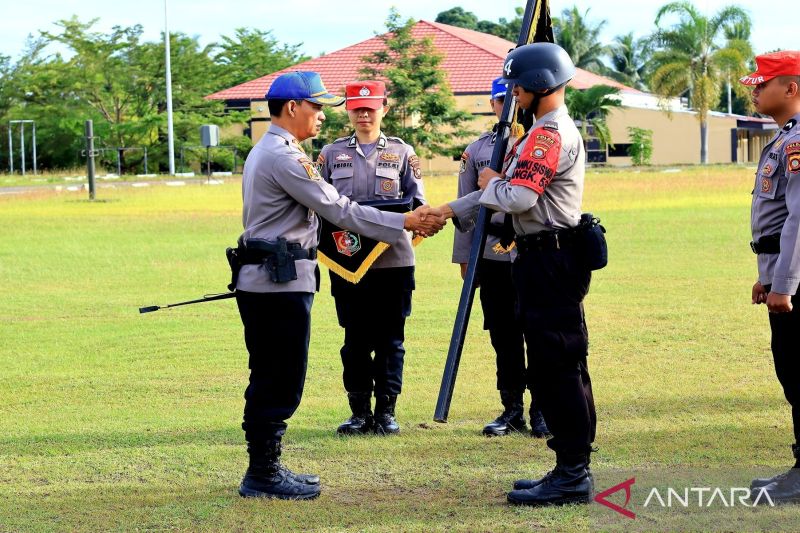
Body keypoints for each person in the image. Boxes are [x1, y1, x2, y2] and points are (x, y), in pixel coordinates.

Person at [233, 71, 445, 500]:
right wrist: (402, 220)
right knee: (278, 377)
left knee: (277, 374)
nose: (323, 118)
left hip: (277, 279)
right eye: (317, 108)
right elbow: (337, 208)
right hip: (278, 284)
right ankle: (262, 473)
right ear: (293, 108)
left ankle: (267, 466)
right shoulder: (285, 157)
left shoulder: (276, 150)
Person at [433, 42, 597, 506]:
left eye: (518, 85)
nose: (513, 93)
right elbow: (500, 193)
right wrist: (448, 209)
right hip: (539, 258)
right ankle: (569, 465)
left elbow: (518, 197)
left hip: (550, 259)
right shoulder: (535, 132)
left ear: (539, 86)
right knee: (556, 364)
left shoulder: (546, 135)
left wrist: (490, 183)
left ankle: (572, 473)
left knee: (559, 365)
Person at [317, 81, 425, 436]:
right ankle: (360, 411)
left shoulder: (402, 152)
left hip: (393, 261)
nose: (364, 114)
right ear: (348, 111)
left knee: (392, 339)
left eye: (371, 108)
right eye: (357, 108)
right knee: (355, 340)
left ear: (384, 109)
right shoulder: (331, 155)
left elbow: (417, 203)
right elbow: (316, 204)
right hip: (346, 262)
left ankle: (387, 411)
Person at [453, 77, 550, 438]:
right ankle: (512, 409)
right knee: (503, 335)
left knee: (537, 333)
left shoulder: (537, 143)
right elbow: (466, 208)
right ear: (491, 104)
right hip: (492, 254)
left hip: (529, 251)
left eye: (511, 97)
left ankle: (543, 409)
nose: (506, 105)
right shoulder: (477, 150)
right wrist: (465, 258)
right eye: (498, 100)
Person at [741, 50, 800, 504]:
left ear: (791, 88)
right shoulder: (785, 138)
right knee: (792, 371)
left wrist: (786, 284)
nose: (755, 90)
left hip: (797, 283)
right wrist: (770, 275)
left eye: (763, 83)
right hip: (784, 272)